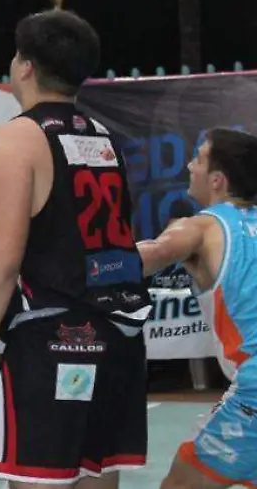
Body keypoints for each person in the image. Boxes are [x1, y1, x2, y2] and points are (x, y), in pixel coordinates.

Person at [0, 9, 153, 487]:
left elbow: (2, 262)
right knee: (98, 476)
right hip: (119, 340)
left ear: (25, 66)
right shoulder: (104, 138)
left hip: (55, 337)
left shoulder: (15, 138)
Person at [134, 128, 257, 489]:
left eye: (198, 158)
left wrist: (69, 263)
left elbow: (152, 254)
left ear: (217, 180)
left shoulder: (203, 226)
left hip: (254, 389)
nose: (189, 166)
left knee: (180, 485)